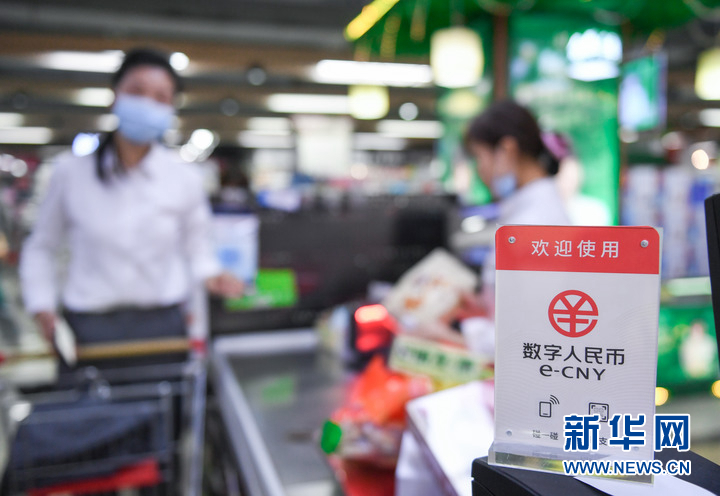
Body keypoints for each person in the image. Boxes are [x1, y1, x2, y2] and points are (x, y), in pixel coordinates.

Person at [19, 48, 243, 361]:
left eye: (161, 97)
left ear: (171, 108)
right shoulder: (70, 172)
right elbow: (41, 247)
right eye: (137, 91)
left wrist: (213, 274)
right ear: (115, 96)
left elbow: (197, 248)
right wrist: (41, 305)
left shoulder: (184, 178)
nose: (148, 104)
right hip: (88, 328)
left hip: (163, 328)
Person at [450, 100, 572, 353]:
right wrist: (484, 308)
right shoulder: (528, 213)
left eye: (479, 157)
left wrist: (457, 335)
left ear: (506, 150)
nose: (480, 171)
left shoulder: (534, 224)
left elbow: (528, 336)